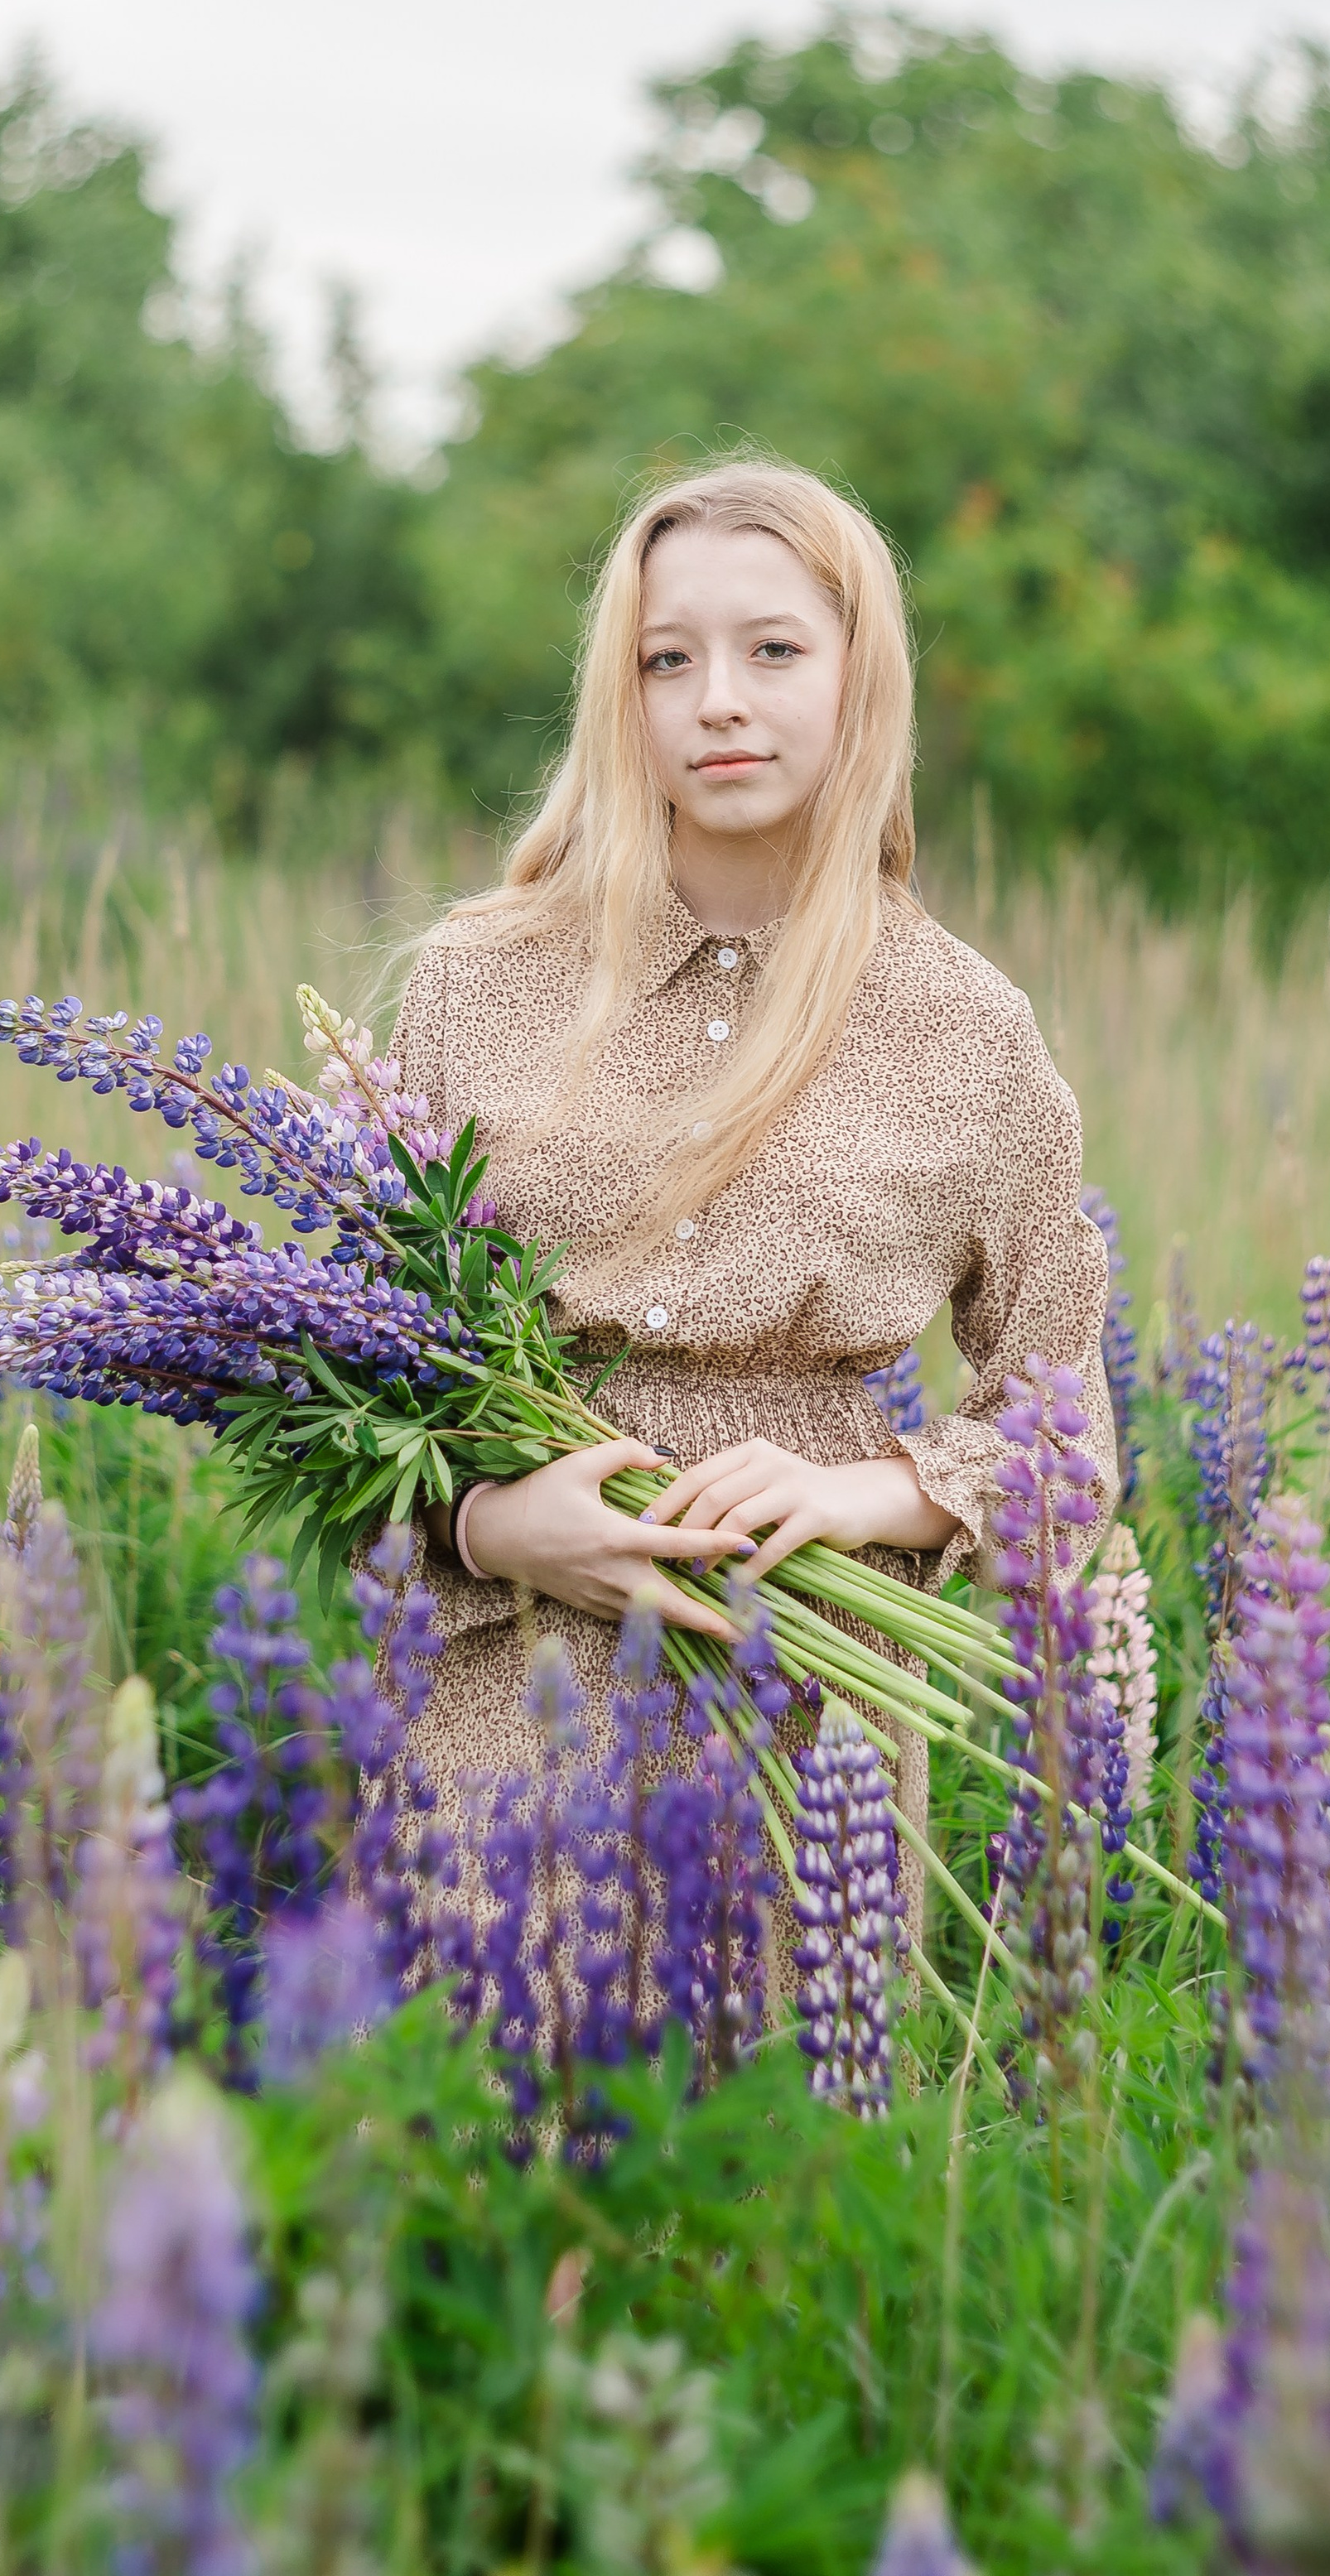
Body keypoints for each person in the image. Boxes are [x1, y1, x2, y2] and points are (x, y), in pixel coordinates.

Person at [390, 455, 1116, 1938]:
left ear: (861, 677)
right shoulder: (476, 982)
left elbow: (1066, 1442)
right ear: (624, 697)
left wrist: (854, 1493)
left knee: (784, 2078)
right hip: (508, 1681)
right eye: (669, 660)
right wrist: (498, 1527)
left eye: (773, 649)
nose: (717, 700)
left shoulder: (967, 1029)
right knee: (487, 2061)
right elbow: (349, 1381)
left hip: (813, 1684)